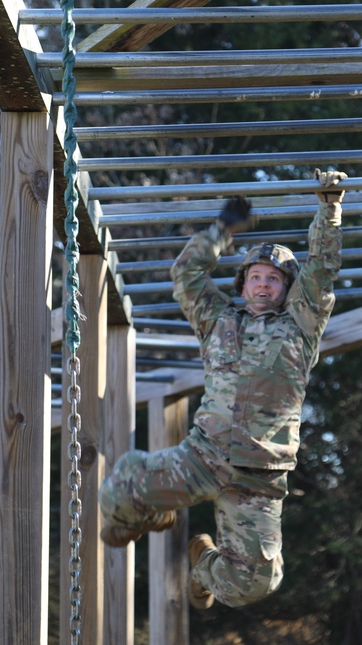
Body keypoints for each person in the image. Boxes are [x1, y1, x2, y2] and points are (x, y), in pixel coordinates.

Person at [99, 170, 348, 609]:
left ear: (288, 289)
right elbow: (186, 273)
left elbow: (322, 271)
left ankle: (202, 563)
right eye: (256, 276)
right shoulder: (218, 320)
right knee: (113, 494)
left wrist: (329, 208)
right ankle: (157, 511)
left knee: (250, 586)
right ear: (243, 283)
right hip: (202, 458)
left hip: (259, 475)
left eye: (274, 279)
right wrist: (221, 231)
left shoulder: (300, 326)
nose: (263, 284)